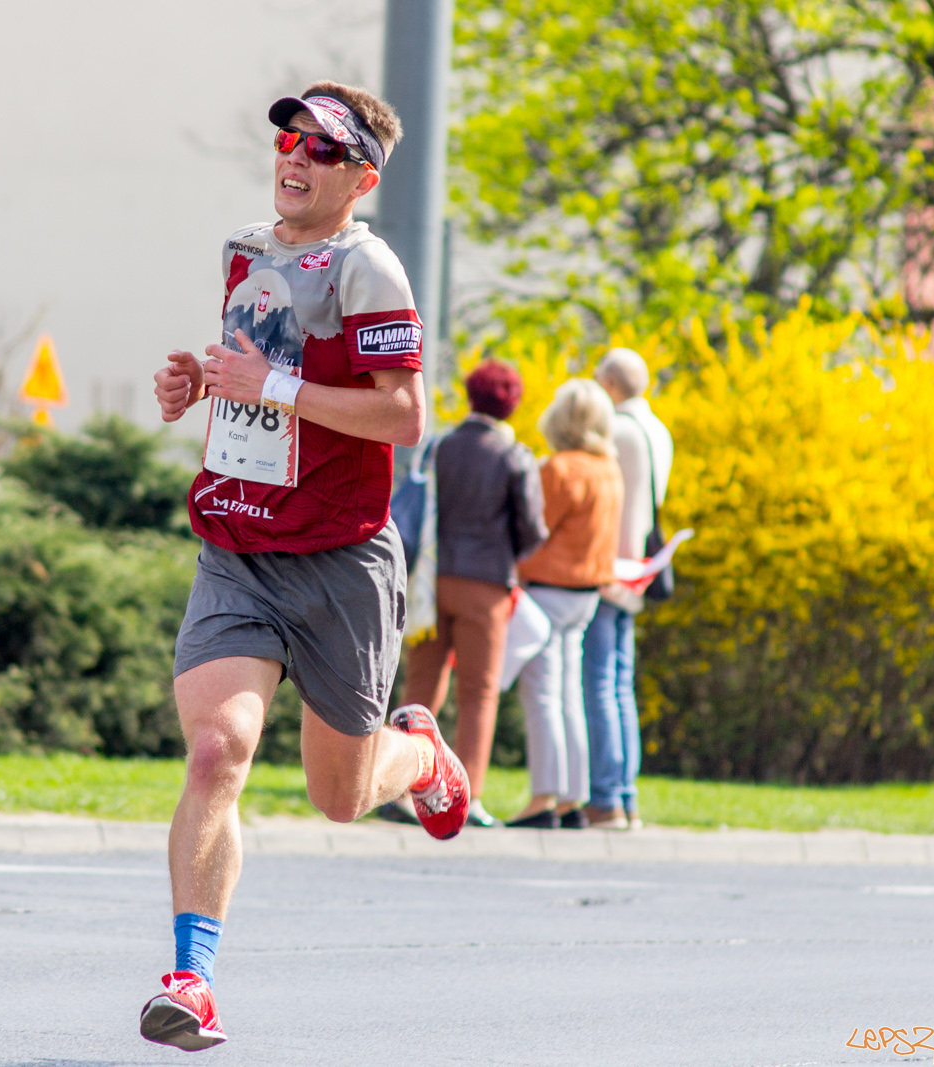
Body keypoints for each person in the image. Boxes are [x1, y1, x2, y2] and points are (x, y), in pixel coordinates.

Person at [141, 82, 469, 1051]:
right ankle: (190, 979)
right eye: (290, 137)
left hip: (338, 560)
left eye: (323, 149)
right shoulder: (247, 248)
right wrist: (195, 386)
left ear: (361, 176)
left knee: (339, 791)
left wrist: (272, 385)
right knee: (215, 751)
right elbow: (257, 388)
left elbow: (404, 415)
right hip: (238, 546)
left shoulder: (368, 267)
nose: (296, 155)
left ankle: (421, 754)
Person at [401, 360, 547, 827]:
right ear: (514, 402)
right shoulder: (515, 456)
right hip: (486, 587)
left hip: (431, 578)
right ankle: (469, 798)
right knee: (479, 693)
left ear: (469, 395)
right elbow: (532, 529)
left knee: (421, 688)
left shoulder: (440, 446)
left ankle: (403, 790)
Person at [505, 379, 622, 830]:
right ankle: (573, 799)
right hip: (586, 595)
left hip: (548, 592)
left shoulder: (558, 470)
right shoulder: (609, 469)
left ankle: (543, 799)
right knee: (570, 696)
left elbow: (533, 531)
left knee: (543, 697)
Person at [583, 348, 673, 830]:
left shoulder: (617, 429)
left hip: (609, 566)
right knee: (620, 683)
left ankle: (605, 798)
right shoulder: (658, 430)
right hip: (638, 566)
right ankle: (625, 795)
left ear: (611, 386)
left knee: (598, 682)